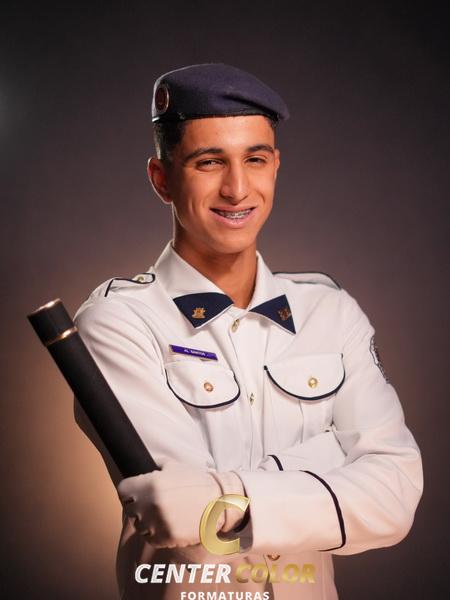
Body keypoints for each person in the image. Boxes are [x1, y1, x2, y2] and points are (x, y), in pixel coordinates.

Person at [74, 63, 423, 600]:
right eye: (209, 162)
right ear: (162, 179)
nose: (237, 189)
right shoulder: (117, 323)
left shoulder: (330, 312)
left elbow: (394, 496)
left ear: (275, 166)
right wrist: (330, 460)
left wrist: (229, 491)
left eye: (255, 159)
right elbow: (182, 516)